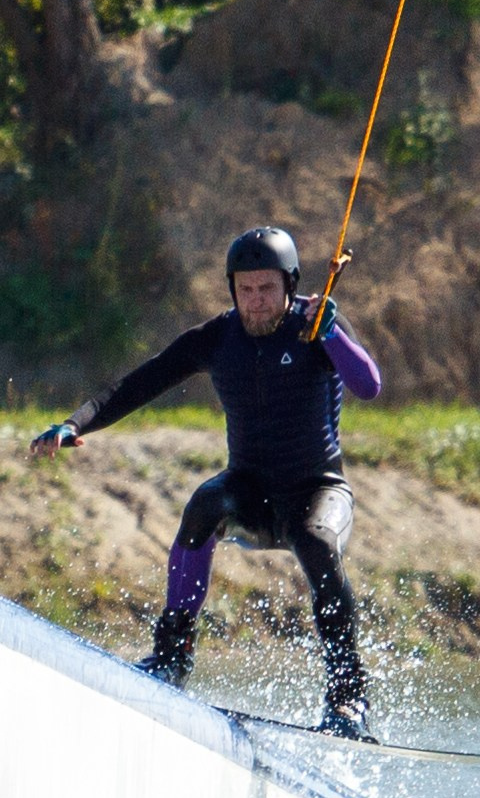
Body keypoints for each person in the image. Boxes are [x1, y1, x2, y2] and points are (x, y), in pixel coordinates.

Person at [29, 227, 384, 740]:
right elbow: (139, 383)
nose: (256, 302)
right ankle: (172, 656)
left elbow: (369, 386)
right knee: (204, 504)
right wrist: (74, 424)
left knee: (314, 540)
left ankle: (349, 699)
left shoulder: (319, 323)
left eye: (267, 289)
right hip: (252, 492)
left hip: (319, 492)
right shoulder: (217, 339)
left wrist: (333, 334)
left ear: (289, 285)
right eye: (245, 290)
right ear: (231, 289)